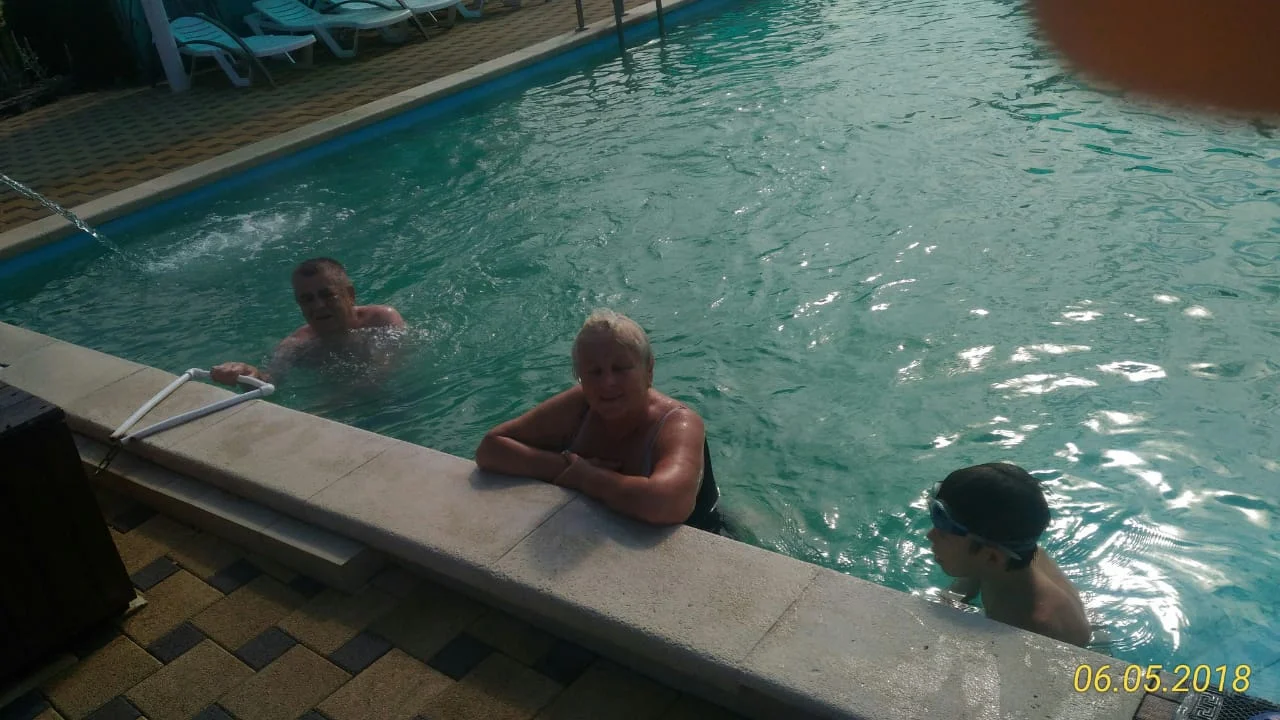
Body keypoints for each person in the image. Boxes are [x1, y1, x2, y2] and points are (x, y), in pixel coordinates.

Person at [475, 309, 722, 531]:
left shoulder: (678, 423)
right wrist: (563, 467)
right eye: (594, 372)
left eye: (620, 368)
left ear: (649, 370)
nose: (607, 383)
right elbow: (491, 449)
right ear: (580, 377)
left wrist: (588, 479)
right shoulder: (581, 406)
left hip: (703, 532)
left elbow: (668, 503)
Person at [926, 463, 1091, 647]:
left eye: (943, 534)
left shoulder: (1031, 626)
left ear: (992, 557)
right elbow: (961, 589)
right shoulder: (1004, 560)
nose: (930, 535)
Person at [211, 257, 405, 386]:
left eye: (327, 295)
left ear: (350, 295)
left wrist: (331, 405)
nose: (318, 305)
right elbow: (271, 383)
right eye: (307, 299)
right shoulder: (295, 345)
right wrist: (248, 374)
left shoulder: (381, 320)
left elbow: (382, 372)